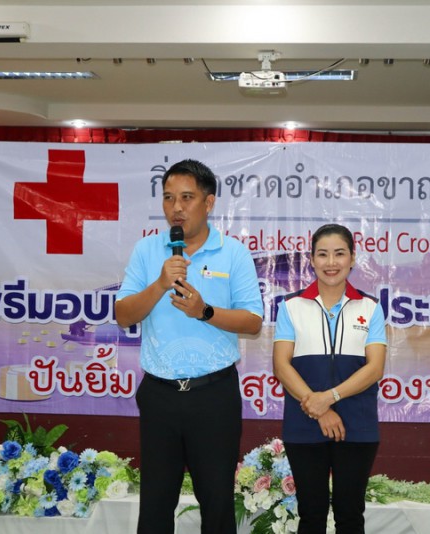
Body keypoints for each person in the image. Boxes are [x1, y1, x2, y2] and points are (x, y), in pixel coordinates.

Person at [115, 158, 263, 534]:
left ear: (208, 203)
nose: (176, 207)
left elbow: (253, 321)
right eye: (168, 198)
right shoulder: (147, 251)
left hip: (213, 396)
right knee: (155, 503)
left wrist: (204, 311)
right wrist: (159, 284)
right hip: (160, 395)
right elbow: (123, 315)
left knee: (217, 503)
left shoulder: (233, 253)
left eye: (186, 197)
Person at [272, 223, 387, 534]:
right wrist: (320, 408)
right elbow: (282, 365)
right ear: (311, 260)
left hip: (357, 426)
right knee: (311, 515)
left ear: (352, 258)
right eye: (323, 254)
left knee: (350, 516)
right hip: (304, 423)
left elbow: (374, 368)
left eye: (339, 253)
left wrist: (329, 397)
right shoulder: (291, 307)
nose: (331, 262)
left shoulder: (370, 307)